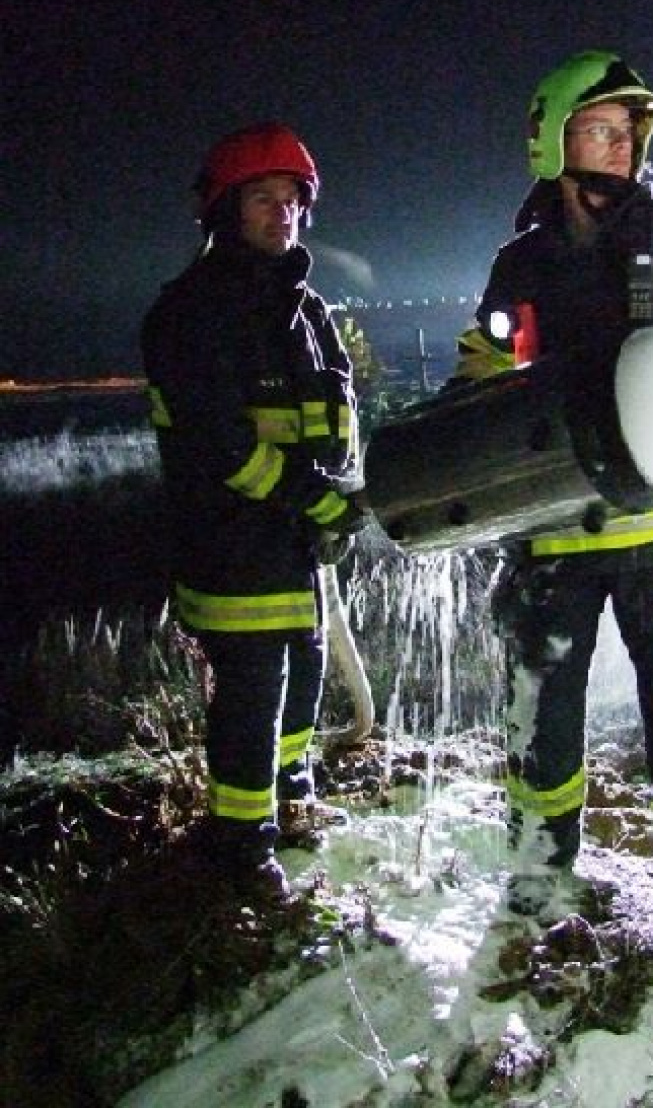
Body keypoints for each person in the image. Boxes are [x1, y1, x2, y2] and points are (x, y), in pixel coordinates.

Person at [452, 51, 653, 983]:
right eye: (599, 129)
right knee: (541, 725)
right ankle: (540, 888)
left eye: (628, 132)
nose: (619, 147)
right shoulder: (519, 265)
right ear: (553, 140)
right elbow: (485, 376)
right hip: (550, 536)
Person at [141, 123, 368, 904]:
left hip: (295, 542)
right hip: (231, 546)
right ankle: (240, 852)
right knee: (252, 693)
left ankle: (291, 799)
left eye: (293, 199)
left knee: (303, 675)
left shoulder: (306, 311)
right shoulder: (191, 311)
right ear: (224, 211)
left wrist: (344, 491)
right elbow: (220, 445)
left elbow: (336, 413)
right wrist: (317, 497)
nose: (283, 212)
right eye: (263, 198)